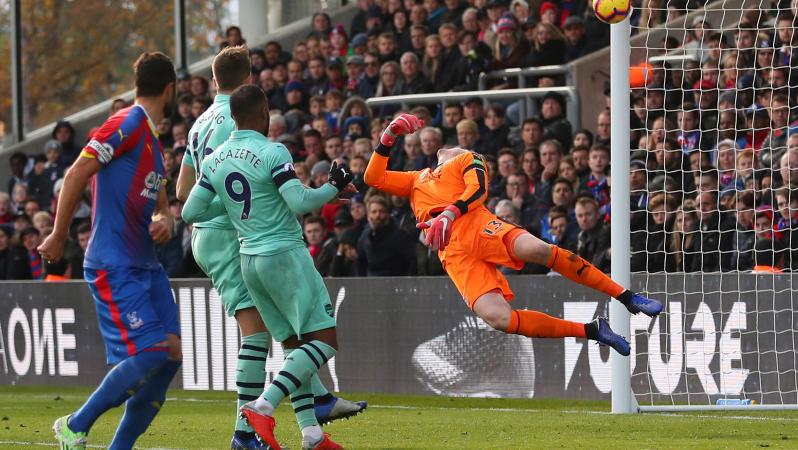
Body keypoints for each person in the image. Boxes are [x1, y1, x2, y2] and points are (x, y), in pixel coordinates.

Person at [175, 47, 365, 450]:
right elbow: (283, 195)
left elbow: (182, 196)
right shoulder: (249, 128)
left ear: (213, 81)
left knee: (287, 334)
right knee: (261, 333)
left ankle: (312, 424)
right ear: (249, 81)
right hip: (251, 238)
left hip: (218, 237)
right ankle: (248, 428)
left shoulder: (198, 124)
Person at [364, 114, 664, 359]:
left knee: (537, 250)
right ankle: (594, 330)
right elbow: (373, 178)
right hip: (453, 252)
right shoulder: (417, 179)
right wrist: (389, 136)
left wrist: (449, 213)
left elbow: (479, 192)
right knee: (499, 319)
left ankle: (625, 296)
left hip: (477, 225)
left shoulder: (468, 159)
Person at [39, 52, 182, 450]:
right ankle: (75, 424)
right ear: (170, 89)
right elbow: (76, 173)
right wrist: (57, 233)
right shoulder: (128, 122)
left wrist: (166, 217)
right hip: (114, 262)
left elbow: (159, 191)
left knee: (169, 355)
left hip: (145, 264)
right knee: (152, 352)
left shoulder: (151, 139)